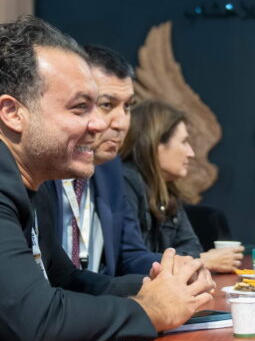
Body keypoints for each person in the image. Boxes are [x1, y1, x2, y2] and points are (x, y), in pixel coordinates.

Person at [0, 16, 214, 341]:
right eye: (79, 108)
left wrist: (159, 284)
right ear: (12, 113)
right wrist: (152, 309)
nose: (100, 125)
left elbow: (66, 280)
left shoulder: (33, 184)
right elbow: (36, 321)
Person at [41, 44, 163, 275]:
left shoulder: (109, 167)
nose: (121, 123)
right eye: (106, 105)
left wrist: (178, 267)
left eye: (128, 106)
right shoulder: (43, 168)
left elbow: (130, 254)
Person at [120, 100, 243, 272]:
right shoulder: (125, 182)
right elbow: (131, 262)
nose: (191, 153)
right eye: (184, 142)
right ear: (155, 143)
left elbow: (191, 246)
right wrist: (203, 260)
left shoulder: (167, 189)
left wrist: (194, 259)